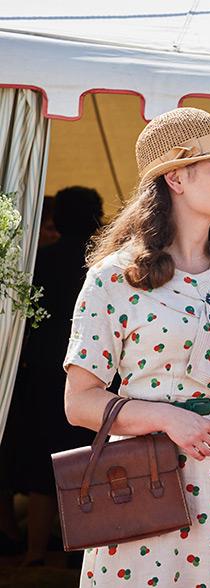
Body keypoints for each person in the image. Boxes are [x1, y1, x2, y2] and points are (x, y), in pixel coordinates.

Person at [62, 107, 210, 587]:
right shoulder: (113, 278)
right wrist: (167, 417)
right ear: (175, 177)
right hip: (146, 486)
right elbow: (79, 401)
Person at [0, 187, 102, 565]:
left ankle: (34, 551)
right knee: (94, 459)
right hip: (96, 375)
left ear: (57, 219)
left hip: (44, 372)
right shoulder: (105, 264)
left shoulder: (39, 261)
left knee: (44, 461)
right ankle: (91, 543)